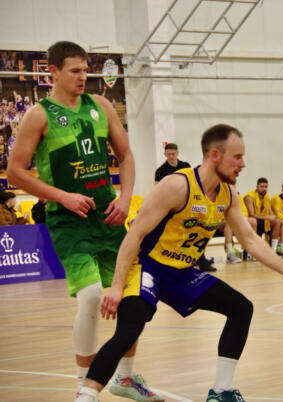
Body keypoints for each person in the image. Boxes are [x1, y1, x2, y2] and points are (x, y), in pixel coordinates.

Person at [73, 123, 283, 402]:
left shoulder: (228, 194)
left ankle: (221, 391)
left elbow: (250, 240)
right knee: (129, 329)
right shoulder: (176, 185)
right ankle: (87, 395)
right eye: (237, 157)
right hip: (146, 267)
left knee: (241, 307)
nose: (243, 164)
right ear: (215, 155)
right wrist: (116, 286)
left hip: (182, 273)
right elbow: (135, 235)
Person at [7, 41, 162, 401]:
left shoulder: (101, 106)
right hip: (68, 219)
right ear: (53, 72)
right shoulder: (39, 115)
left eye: (85, 71)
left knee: (131, 296)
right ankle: (83, 385)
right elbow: (15, 171)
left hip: (108, 214)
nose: (82, 77)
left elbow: (126, 157)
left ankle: (125, 378)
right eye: (75, 71)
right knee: (91, 296)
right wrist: (62, 196)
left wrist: (125, 198)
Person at [153, 141, 216, 272]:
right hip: (172, 207)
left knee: (196, 231)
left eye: (173, 153)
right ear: (165, 154)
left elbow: (194, 183)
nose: (171, 156)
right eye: (168, 154)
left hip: (189, 203)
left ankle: (201, 260)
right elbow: (157, 190)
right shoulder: (160, 171)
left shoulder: (185, 166)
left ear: (177, 153)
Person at [244, 177, 283, 257]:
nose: (264, 189)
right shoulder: (249, 197)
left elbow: (270, 212)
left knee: (277, 221)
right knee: (256, 221)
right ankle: (250, 252)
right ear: (257, 187)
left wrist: (274, 217)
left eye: (266, 187)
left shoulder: (266, 196)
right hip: (252, 220)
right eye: (262, 186)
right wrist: (267, 217)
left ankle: (273, 250)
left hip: (262, 219)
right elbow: (251, 214)